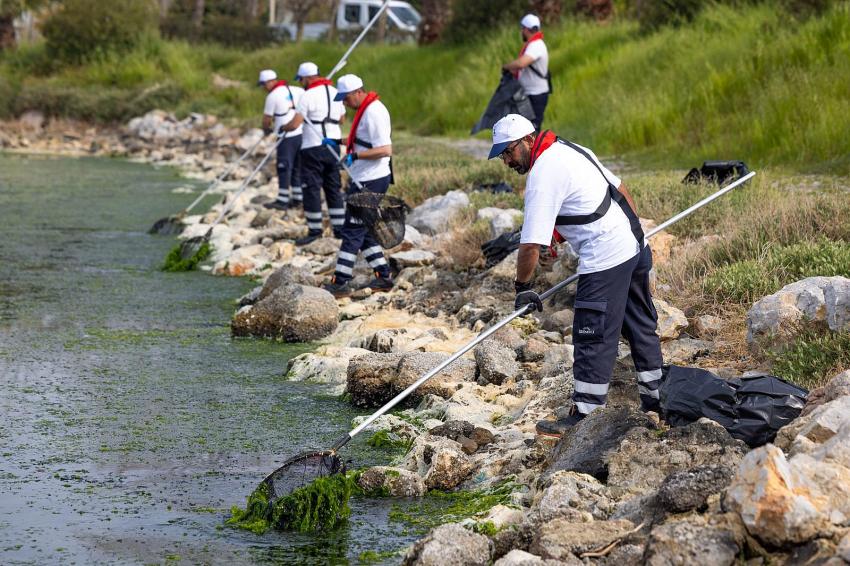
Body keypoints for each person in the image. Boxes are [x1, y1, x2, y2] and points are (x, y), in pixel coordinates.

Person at [489, 114, 663, 438]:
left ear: (527, 140)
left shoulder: (542, 174)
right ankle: (657, 402)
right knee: (640, 325)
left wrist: (523, 287)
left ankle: (584, 416)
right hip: (634, 244)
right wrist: (633, 237)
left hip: (606, 256)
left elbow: (529, 246)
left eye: (508, 152)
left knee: (591, 334)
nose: (506, 161)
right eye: (501, 155)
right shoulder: (568, 148)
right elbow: (619, 188)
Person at [323, 74, 394, 298]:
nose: (344, 103)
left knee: (353, 229)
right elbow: (361, 138)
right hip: (363, 177)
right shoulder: (365, 110)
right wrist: (338, 141)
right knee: (363, 232)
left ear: (358, 92)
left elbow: (385, 149)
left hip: (372, 179)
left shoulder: (374, 112)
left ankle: (340, 281)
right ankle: (383, 277)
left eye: (345, 98)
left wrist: (356, 155)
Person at [281, 62, 347, 245]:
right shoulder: (336, 93)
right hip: (333, 146)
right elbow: (342, 119)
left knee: (311, 188)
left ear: (308, 78)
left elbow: (295, 124)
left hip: (312, 146)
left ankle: (315, 230)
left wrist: (283, 127)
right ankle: (339, 229)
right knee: (333, 187)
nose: (301, 82)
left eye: (301, 79)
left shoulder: (307, 95)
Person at [258, 69, 304, 211]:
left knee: (283, 167)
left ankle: (282, 200)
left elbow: (267, 119)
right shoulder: (297, 89)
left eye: (263, 84)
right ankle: (298, 198)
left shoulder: (272, 96)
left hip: (286, 136)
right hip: (302, 133)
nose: (263, 88)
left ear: (270, 82)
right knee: (297, 167)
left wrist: (266, 130)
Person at [502, 14, 550, 130]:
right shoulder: (534, 44)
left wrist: (506, 67)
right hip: (530, 93)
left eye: (522, 29)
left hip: (536, 94)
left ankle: (535, 148)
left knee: (532, 130)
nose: (521, 32)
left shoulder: (536, 45)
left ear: (526, 29)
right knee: (526, 130)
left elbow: (521, 63)